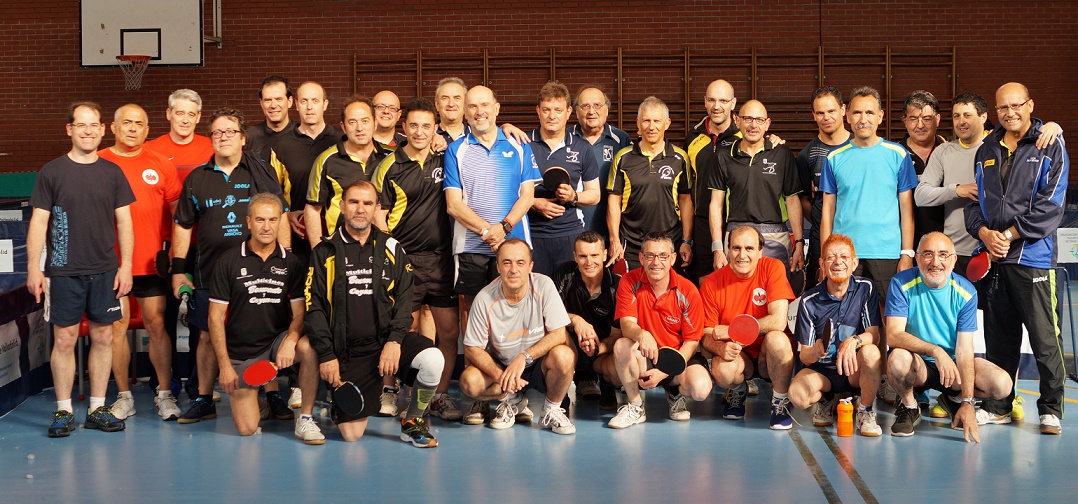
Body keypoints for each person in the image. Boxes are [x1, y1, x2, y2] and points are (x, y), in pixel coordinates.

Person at [171, 108, 288, 424]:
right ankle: (203, 398)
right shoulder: (198, 178)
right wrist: (178, 269)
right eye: (217, 132)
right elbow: (183, 225)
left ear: (243, 137)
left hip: (259, 272)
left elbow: (279, 216)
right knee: (207, 335)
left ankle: (272, 395)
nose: (223, 137)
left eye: (230, 131)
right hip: (210, 273)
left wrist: (284, 259)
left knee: (265, 333)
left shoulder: (260, 173)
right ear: (211, 138)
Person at [305, 181, 445, 447]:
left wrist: (394, 341)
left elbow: (405, 300)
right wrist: (327, 354)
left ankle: (412, 421)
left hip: (386, 342)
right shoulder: (324, 251)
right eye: (354, 202)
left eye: (367, 203)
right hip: (350, 351)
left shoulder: (392, 247)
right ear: (342, 206)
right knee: (351, 435)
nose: (360, 209)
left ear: (376, 208)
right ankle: (340, 403)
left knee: (433, 359)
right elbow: (314, 308)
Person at [964, 82, 1070, 435]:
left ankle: (1050, 409)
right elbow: (975, 203)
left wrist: (1007, 235)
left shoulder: (1050, 144)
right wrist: (984, 233)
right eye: (1002, 107)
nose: (1009, 113)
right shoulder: (987, 149)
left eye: (1016, 105)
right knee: (999, 339)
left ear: (1030, 105)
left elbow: (1051, 207)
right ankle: (999, 407)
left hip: (1033, 259)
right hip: (995, 260)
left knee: (1045, 339)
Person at [27, 101, 135, 436]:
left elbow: (125, 222)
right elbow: (38, 222)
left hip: (105, 270)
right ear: (69, 129)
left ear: (102, 130)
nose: (88, 131)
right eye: (81, 125)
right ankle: (63, 411)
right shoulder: (52, 172)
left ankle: (97, 408)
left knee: (103, 336)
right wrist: (34, 268)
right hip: (63, 271)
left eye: (93, 125)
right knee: (64, 339)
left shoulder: (113, 173)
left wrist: (127, 266)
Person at [371, 98, 462, 421]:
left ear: (436, 128)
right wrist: (392, 254)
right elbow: (378, 215)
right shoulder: (389, 165)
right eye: (413, 126)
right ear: (403, 127)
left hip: (441, 260)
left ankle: (439, 395)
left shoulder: (446, 156)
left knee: (448, 333)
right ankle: (390, 390)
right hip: (404, 261)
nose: (420, 132)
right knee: (398, 330)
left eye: (426, 126)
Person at [207, 193, 323, 443]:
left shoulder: (291, 263)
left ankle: (305, 418)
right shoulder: (227, 261)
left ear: (280, 222)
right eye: (260, 220)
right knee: (247, 429)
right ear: (248, 221)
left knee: (309, 348)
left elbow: (300, 313)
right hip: (241, 354)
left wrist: (291, 340)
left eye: (273, 220)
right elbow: (215, 318)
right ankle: (257, 399)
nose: (267, 227)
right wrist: (224, 367)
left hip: (276, 344)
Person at [99, 104, 183, 421]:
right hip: (111, 263)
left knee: (157, 324)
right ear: (114, 127)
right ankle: (124, 397)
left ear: (147, 130)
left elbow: (179, 214)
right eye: (127, 122)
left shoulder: (160, 163)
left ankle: (164, 393)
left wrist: (175, 253)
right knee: (116, 327)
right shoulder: (99, 162)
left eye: (139, 124)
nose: (133, 128)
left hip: (150, 263)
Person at [885, 232, 1013, 441]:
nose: (936, 262)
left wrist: (968, 402)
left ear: (954, 260)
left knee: (1002, 384)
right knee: (898, 359)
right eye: (928, 254)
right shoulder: (901, 283)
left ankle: (954, 399)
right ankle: (909, 406)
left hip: (952, 368)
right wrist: (935, 350)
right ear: (917, 258)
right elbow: (893, 335)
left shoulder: (966, 292)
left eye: (943, 255)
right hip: (918, 364)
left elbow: (964, 350)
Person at [459, 238, 577, 435]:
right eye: (507, 263)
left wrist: (524, 357)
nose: (513, 269)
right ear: (498, 267)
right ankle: (511, 400)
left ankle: (552, 410)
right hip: (501, 365)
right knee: (468, 382)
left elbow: (558, 333)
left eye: (520, 263)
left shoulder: (544, 285)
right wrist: (501, 377)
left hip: (537, 363)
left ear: (530, 266)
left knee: (565, 355)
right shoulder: (484, 298)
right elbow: (472, 348)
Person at [444, 85, 539, 318]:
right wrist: (489, 232)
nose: (479, 111)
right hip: (470, 247)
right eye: (473, 106)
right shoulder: (455, 150)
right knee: (473, 312)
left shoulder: (519, 145)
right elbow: (453, 205)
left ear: (496, 108)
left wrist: (503, 228)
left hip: (514, 244)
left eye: (485, 105)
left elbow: (528, 196)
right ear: (465, 112)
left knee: (516, 310)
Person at [606, 232, 712, 428]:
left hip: (677, 357)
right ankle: (636, 406)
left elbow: (691, 342)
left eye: (663, 256)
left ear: (673, 258)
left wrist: (664, 371)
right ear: (641, 258)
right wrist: (642, 334)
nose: (656, 262)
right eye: (650, 255)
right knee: (622, 345)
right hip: (645, 356)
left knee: (701, 389)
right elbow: (626, 324)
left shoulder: (688, 291)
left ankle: (675, 393)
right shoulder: (629, 282)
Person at [699, 226, 796, 429]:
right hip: (738, 354)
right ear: (728, 250)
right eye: (736, 248)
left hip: (768, 354)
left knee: (778, 338)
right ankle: (737, 391)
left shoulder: (773, 267)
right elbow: (707, 335)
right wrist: (720, 348)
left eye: (749, 248)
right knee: (722, 369)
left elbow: (778, 321)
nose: (742, 255)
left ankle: (780, 403)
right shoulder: (711, 283)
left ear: (760, 252)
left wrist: (732, 330)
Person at [788, 234, 883, 436]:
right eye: (830, 257)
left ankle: (865, 411)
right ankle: (827, 399)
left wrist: (854, 341)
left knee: (871, 353)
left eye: (844, 257)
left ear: (854, 263)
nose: (838, 262)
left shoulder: (865, 288)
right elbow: (804, 355)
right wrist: (815, 351)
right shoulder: (809, 301)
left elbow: (874, 335)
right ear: (822, 264)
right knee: (797, 395)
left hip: (853, 369)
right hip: (823, 372)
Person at [707, 99, 803, 273]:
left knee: (775, 288)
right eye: (748, 119)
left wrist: (799, 243)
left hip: (775, 236)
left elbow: (792, 201)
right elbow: (716, 204)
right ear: (737, 121)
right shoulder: (723, 155)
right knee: (736, 289)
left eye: (759, 120)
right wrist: (718, 248)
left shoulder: (782, 154)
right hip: (736, 235)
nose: (753, 125)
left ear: (767, 124)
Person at [607, 96, 693, 271]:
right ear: (638, 123)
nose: (651, 126)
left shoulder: (680, 158)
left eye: (657, 121)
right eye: (646, 121)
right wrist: (614, 240)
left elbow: (685, 200)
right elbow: (614, 200)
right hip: (631, 243)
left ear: (667, 123)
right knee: (630, 288)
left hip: (669, 242)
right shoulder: (623, 157)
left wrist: (686, 241)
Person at [527, 81, 601, 276]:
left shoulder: (582, 148)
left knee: (568, 290)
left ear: (568, 112)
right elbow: (506, 190)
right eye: (546, 109)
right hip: (531, 233)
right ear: (538, 111)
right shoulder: (523, 144)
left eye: (558, 110)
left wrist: (573, 196)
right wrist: (533, 202)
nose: (552, 116)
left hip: (569, 234)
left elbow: (594, 195)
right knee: (535, 291)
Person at [305, 95, 393, 249]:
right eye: (352, 122)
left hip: (384, 248)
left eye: (365, 121)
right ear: (343, 127)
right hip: (340, 249)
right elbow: (312, 209)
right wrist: (318, 252)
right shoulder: (326, 160)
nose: (359, 128)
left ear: (375, 123)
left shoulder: (391, 157)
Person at [268, 81, 339, 264]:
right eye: (304, 101)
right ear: (296, 105)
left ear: (325, 104)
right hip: (297, 234)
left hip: (337, 234)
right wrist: (287, 214)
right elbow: (272, 191)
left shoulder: (340, 141)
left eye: (315, 101)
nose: (309, 107)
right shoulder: (281, 145)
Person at [551, 231, 623, 408]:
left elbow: (617, 335)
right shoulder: (565, 273)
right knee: (554, 334)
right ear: (575, 256)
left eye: (594, 255)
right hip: (570, 343)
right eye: (583, 256)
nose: (589, 262)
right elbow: (549, 314)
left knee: (622, 351)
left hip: (603, 348)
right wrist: (576, 320)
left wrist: (597, 348)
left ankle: (606, 383)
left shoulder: (618, 285)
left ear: (605, 255)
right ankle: (559, 393)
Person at [685, 79, 741, 281]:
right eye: (711, 100)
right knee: (706, 284)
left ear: (733, 103)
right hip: (702, 224)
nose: (717, 106)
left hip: (737, 222)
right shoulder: (693, 137)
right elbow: (687, 188)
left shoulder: (745, 134)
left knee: (737, 286)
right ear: (705, 102)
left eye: (723, 101)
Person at [797, 86, 850, 284]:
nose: (826, 117)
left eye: (831, 111)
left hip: (856, 234)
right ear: (813, 115)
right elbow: (802, 199)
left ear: (843, 110)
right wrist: (821, 220)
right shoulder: (807, 155)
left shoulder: (859, 146)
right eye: (820, 113)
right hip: (821, 239)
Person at [569, 85, 632, 240]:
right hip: (571, 229)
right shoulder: (564, 138)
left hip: (611, 232)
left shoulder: (621, 139)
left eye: (597, 105)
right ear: (576, 112)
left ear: (607, 110)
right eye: (585, 106)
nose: (592, 111)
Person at [898, 91, 948, 246]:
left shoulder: (950, 151)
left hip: (946, 243)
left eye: (927, 119)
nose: (920, 125)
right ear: (905, 120)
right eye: (913, 119)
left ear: (937, 119)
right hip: (906, 245)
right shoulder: (894, 155)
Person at [145, 89, 214, 181]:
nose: (185, 120)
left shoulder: (213, 148)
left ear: (198, 117)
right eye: (180, 114)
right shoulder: (149, 150)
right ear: (169, 114)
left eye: (191, 115)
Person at [245, 76, 296, 166]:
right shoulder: (248, 137)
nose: (273, 105)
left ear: (289, 101)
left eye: (278, 99)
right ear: (261, 103)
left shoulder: (301, 135)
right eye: (268, 100)